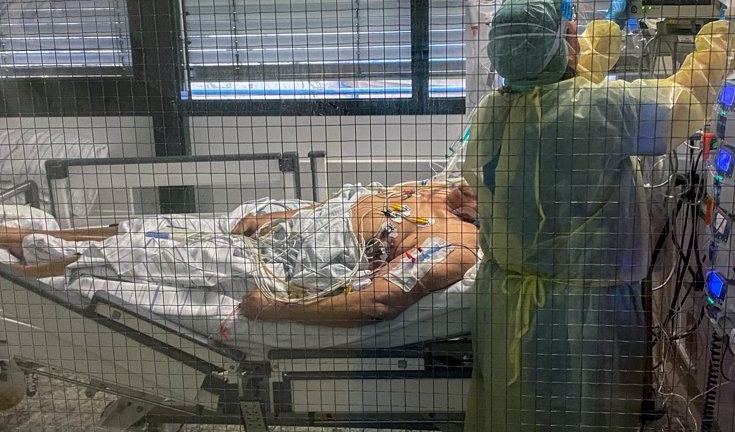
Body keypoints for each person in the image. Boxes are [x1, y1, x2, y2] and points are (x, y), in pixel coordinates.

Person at [462, 0, 734, 431]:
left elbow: (556, 80)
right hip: (583, 319)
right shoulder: (601, 108)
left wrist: (609, 28)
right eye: (571, 30)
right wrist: (721, 35)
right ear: (561, 43)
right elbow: (686, 100)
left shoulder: (492, 111)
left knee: (514, 413)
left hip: (504, 307)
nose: (577, 37)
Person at [0, 183, 480, 327]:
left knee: (134, 251)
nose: (467, 184)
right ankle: (25, 235)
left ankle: (23, 275)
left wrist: (276, 310)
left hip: (273, 270)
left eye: (484, 184)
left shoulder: (454, 243)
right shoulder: (436, 189)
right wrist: (280, 216)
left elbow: (379, 300)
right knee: (150, 226)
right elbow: (343, 206)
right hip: (267, 235)